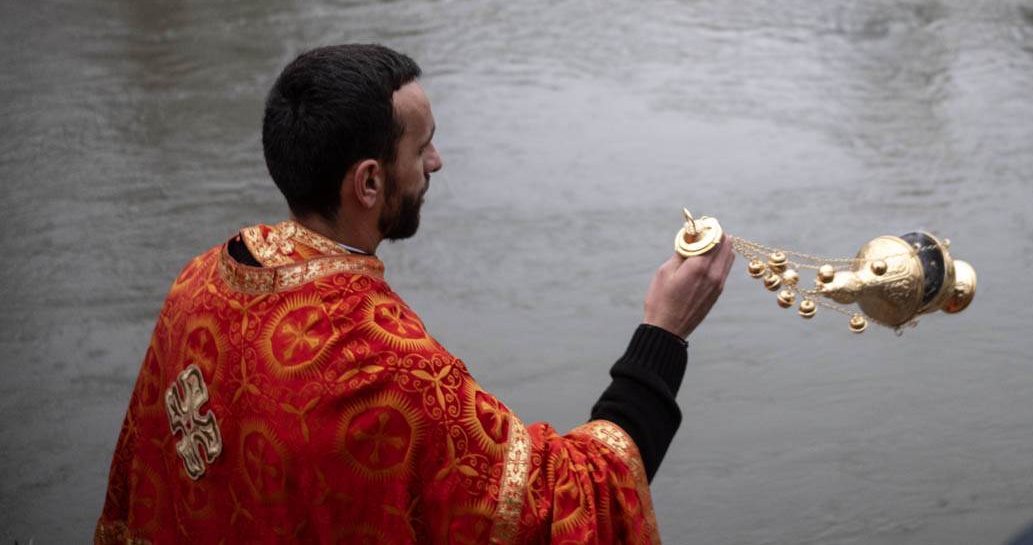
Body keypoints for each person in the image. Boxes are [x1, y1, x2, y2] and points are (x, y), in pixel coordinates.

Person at [95, 45, 735, 542]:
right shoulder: (383, 368)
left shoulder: (200, 281)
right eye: (422, 147)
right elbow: (568, 504)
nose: (436, 163)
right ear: (369, 183)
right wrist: (663, 334)